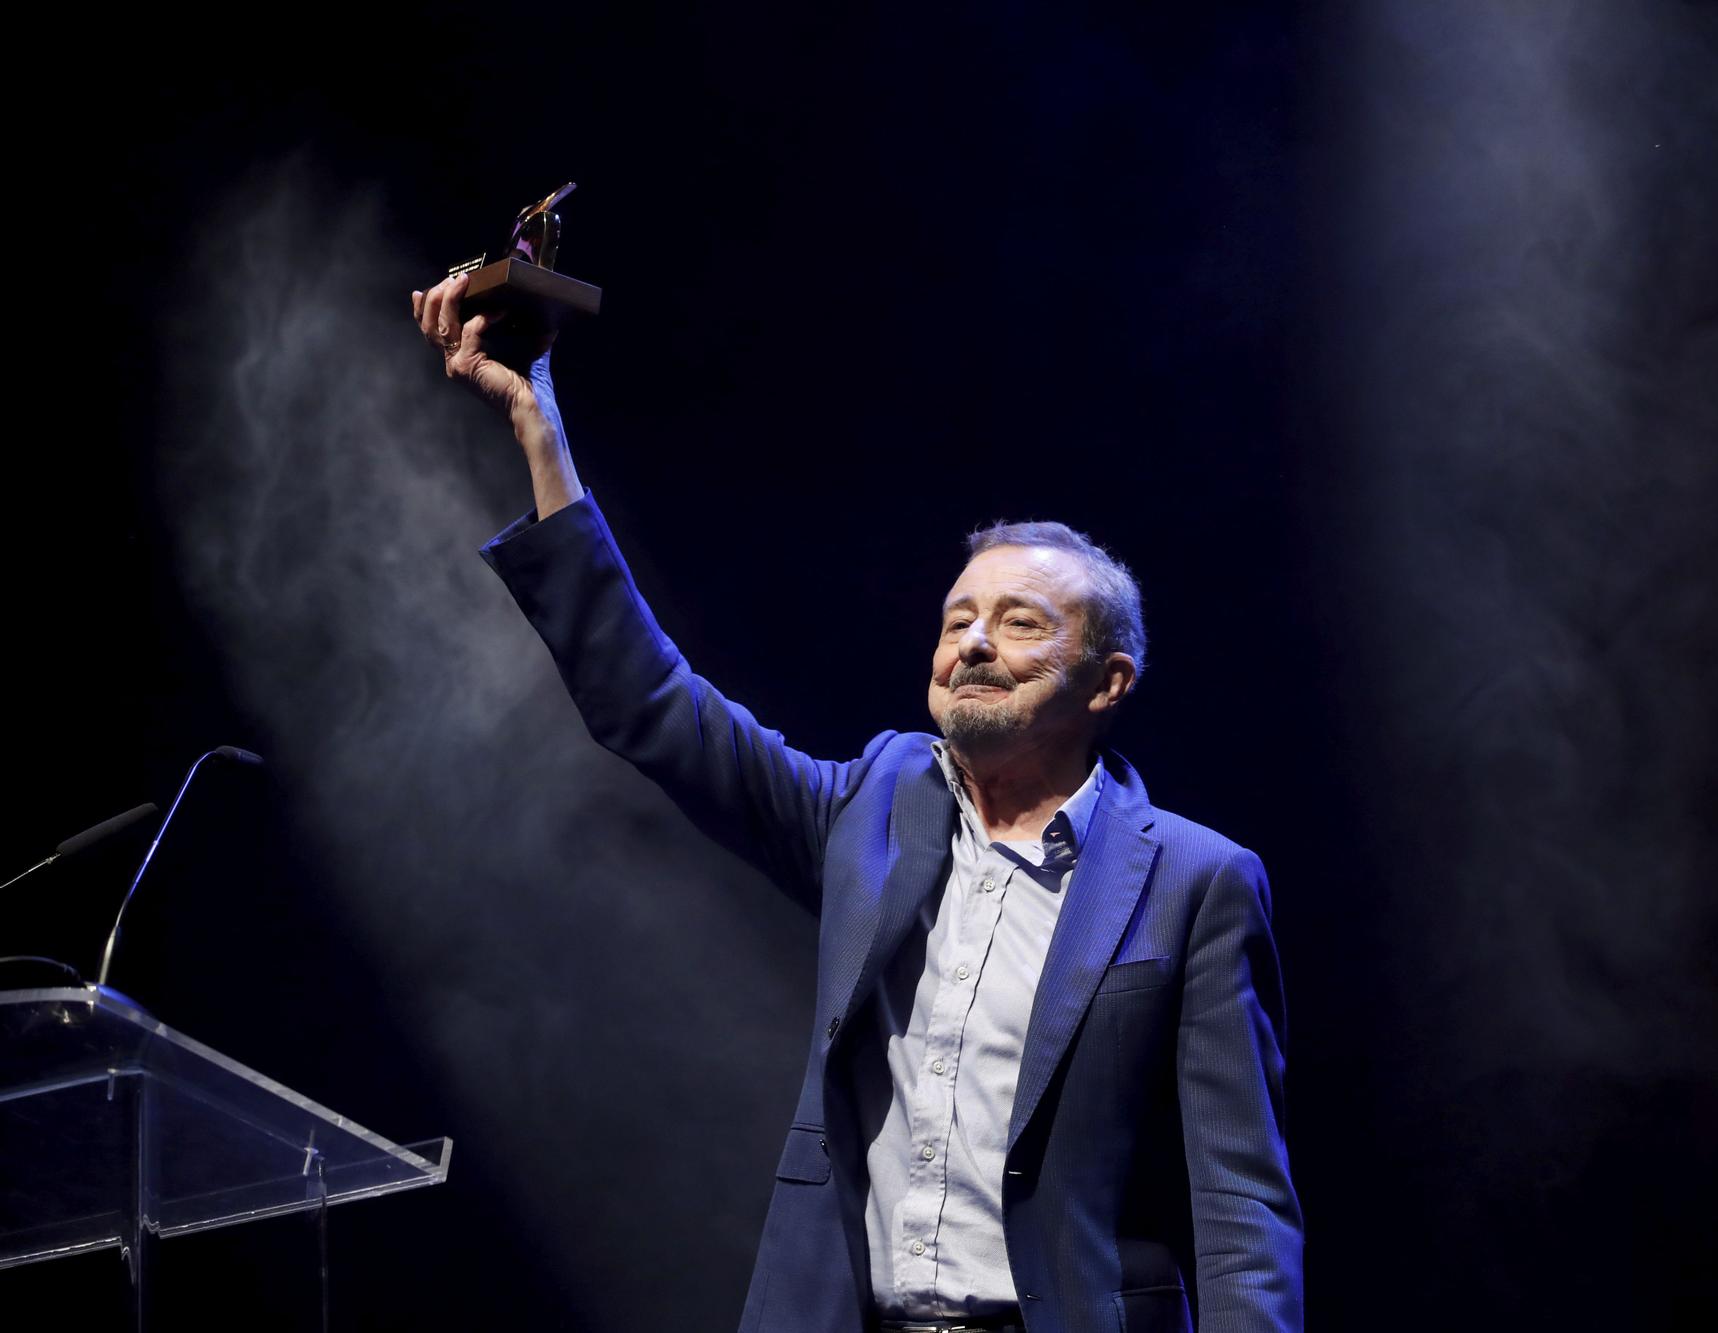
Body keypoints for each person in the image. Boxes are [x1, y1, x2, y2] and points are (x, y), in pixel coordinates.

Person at [410, 275, 1304, 1333]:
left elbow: (1240, 1201)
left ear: (1107, 680)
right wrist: (540, 427)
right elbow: (650, 704)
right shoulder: (875, 806)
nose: (971, 641)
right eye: (956, 618)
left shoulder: (1195, 883)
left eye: (1018, 623)